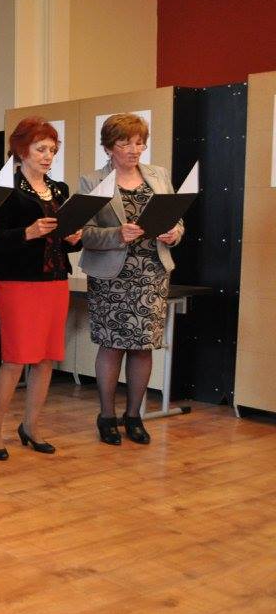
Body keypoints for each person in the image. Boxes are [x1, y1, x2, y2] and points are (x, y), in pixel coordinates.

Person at [80, 113, 183, 445]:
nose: (134, 149)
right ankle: (106, 416)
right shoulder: (93, 180)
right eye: (125, 143)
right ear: (109, 146)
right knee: (112, 346)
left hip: (151, 273)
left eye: (139, 143)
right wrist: (117, 234)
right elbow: (83, 233)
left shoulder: (159, 175)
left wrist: (174, 233)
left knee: (142, 347)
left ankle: (134, 416)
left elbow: (177, 220)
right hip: (111, 277)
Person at [0, 117, 82, 459]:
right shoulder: (5, 190)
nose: (48, 156)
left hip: (55, 280)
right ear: (22, 150)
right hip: (18, 282)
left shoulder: (60, 190)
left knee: (46, 358)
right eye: (41, 149)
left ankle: (31, 427)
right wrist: (27, 232)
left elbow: (62, 242)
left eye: (52, 150)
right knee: (15, 359)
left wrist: (74, 238)